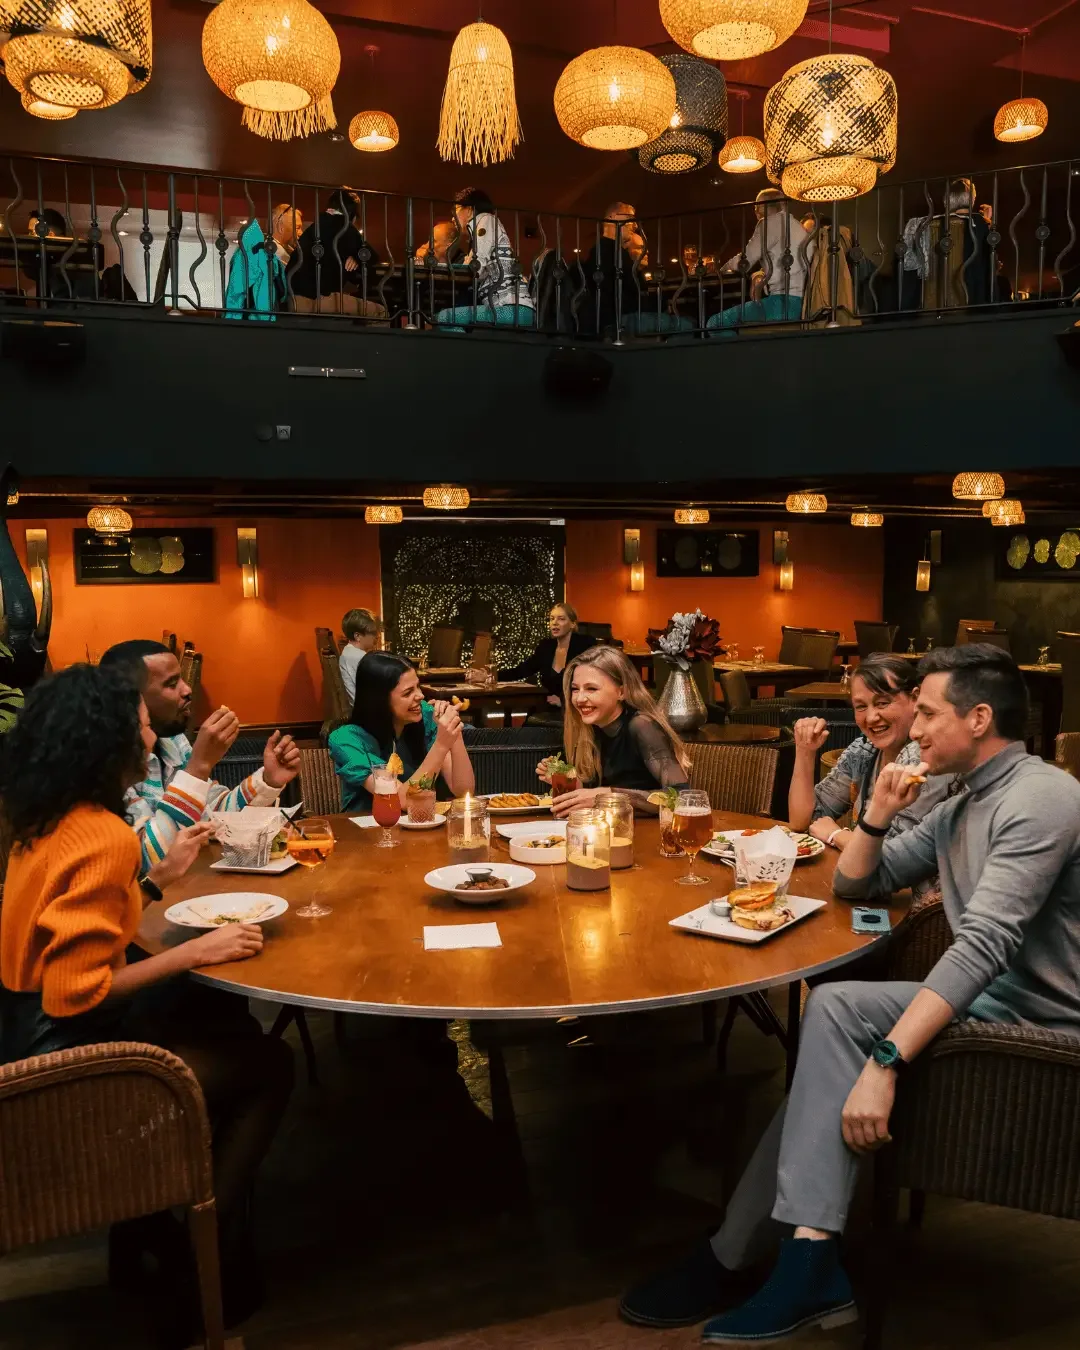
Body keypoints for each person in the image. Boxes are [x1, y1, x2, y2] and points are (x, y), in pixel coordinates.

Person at [619, 645, 1080, 1341]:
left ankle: (750, 1258)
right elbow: (857, 881)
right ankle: (791, 1257)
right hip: (989, 1002)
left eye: (926, 712)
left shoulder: (1042, 797)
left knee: (844, 1041)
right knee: (832, 1008)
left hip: (1041, 1028)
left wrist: (885, 1061)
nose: (913, 728)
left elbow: (985, 945)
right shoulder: (963, 797)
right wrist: (876, 817)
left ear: (980, 717)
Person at [0, 665, 294, 1328]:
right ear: (104, 745)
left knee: (213, 1030)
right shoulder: (103, 836)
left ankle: (144, 1234)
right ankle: (200, 1247)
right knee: (268, 1067)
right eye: (140, 730)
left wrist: (153, 886)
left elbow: (65, 940)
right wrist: (196, 950)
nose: (151, 741)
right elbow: (73, 996)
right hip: (60, 1071)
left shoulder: (43, 821)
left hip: (12, 1042)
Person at [99, 640, 300, 871]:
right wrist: (198, 767)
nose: (187, 689)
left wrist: (268, 781)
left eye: (182, 679)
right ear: (132, 699)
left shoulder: (173, 740)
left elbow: (214, 818)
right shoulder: (109, 764)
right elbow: (145, 859)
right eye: (172, 683)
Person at [788, 654, 949, 850]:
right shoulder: (863, 751)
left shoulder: (924, 757)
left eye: (882, 703)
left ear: (915, 699)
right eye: (861, 707)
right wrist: (805, 751)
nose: (871, 717)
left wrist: (836, 835)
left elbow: (894, 852)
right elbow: (803, 821)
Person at [537, 646, 689, 817]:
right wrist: (566, 780)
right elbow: (594, 791)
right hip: (608, 831)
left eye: (591, 689)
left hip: (648, 834)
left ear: (621, 692)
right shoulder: (591, 726)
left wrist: (608, 796)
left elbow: (680, 798)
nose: (579, 698)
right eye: (575, 689)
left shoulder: (642, 726)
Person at [329, 652, 475, 812]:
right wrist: (441, 744)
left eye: (418, 686)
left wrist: (454, 731)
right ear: (379, 700)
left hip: (420, 829)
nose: (420, 696)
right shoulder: (346, 740)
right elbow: (401, 801)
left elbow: (463, 791)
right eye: (408, 692)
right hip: (366, 831)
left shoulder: (426, 716)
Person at [434, 186, 534, 328]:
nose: (452, 217)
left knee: (444, 317)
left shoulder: (485, 220)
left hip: (511, 309)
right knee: (446, 316)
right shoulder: (481, 228)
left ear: (469, 209)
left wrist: (438, 267)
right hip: (509, 307)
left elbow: (476, 267)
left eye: (456, 210)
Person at [710, 188, 810, 329]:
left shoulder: (771, 223)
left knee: (715, 323)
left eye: (758, 206)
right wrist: (760, 274)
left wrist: (721, 270)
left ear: (773, 205)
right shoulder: (796, 225)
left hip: (782, 303)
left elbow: (744, 261)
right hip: (802, 303)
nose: (756, 210)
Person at [288, 189, 386, 317]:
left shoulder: (314, 227)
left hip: (293, 299)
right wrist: (357, 257)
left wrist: (355, 256)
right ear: (351, 214)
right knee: (380, 312)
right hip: (318, 299)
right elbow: (372, 256)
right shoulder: (345, 228)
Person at [497, 603, 594, 713]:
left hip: (574, 709)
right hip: (546, 706)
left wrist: (563, 701)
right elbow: (521, 671)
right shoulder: (546, 646)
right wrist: (490, 676)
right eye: (551, 619)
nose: (554, 623)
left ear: (572, 624)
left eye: (561, 619)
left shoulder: (585, 645)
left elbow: (590, 682)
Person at [339, 607, 384, 705]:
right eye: (373, 632)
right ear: (357, 636)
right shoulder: (359, 657)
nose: (378, 636)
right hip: (366, 707)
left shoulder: (349, 651)